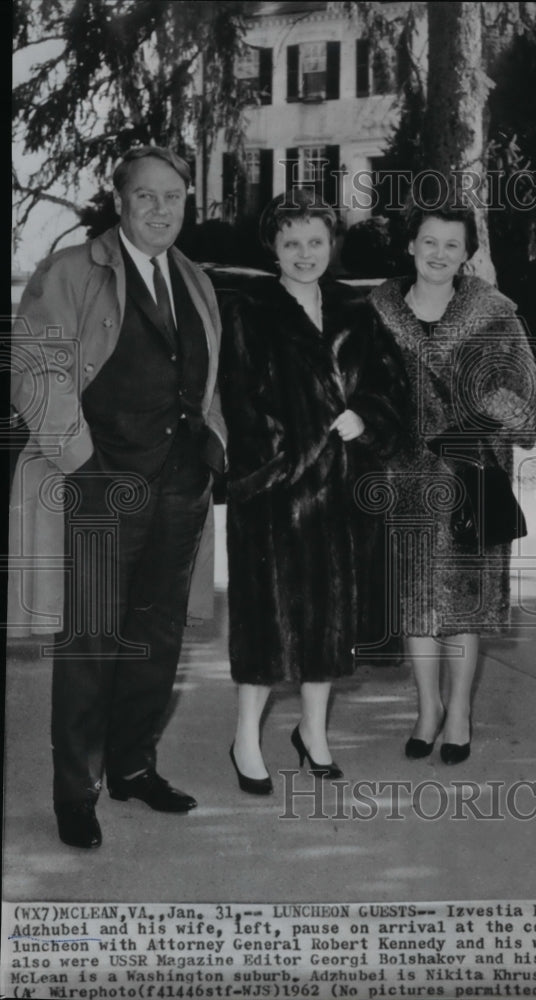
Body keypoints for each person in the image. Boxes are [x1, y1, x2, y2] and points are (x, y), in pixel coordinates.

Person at [9, 146, 226, 848]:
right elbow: (37, 374)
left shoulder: (195, 279)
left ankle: (133, 767)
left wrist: (214, 446)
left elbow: (208, 378)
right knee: (91, 646)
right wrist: (84, 466)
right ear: (120, 200)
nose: (162, 210)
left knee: (156, 639)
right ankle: (77, 793)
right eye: (147, 197)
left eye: (174, 197)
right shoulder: (71, 271)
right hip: (101, 489)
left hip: (181, 490)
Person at [219, 189, 407, 793]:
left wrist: (365, 418)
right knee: (264, 619)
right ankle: (246, 736)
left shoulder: (357, 310)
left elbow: (388, 386)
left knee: (329, 616)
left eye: (316, 242)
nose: (305, 253)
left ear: (332, 246)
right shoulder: (251, 307)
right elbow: (238, 401)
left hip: (341, 490)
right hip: (275, 490)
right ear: (273, 248)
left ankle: (314, 731)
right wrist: (295, 447)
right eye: (291, 242)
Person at [369, 195, 536, 764]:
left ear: (467, 253)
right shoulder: (377, 310)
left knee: (464, 605)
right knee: (415, 602)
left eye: (452, 245)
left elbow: (528, 400)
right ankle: (427, 708)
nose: (438, 254)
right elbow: (356, 388)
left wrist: (478, 407)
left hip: (470, 477)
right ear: (410, 245)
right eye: (429, 242)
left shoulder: (495, 313)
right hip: (402, 479)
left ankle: (460, 712)